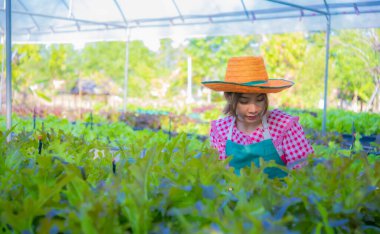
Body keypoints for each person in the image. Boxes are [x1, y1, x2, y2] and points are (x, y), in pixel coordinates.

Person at [201, 56, 314, 178]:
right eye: (244, 101)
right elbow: (219, 175)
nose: (253, 109)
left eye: (260, 100)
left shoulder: (284, 125)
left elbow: (304, 171)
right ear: (230, 99)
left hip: (280, 195)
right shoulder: (221, 130)